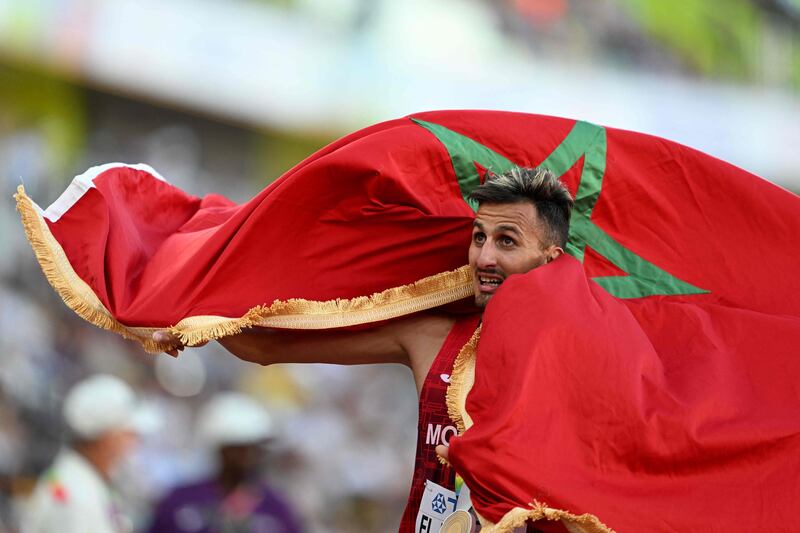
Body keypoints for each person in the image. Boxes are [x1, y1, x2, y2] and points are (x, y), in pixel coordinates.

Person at [154, 166, 574, 532]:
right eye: (479, 237)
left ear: (550, 259)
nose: (483, 256)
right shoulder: (432, 336)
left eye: (507, 242)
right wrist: (190, 322)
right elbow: (266, 349)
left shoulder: (576, 363)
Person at [146, 392, 302, 533]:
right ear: (220, 449)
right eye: (240, 449)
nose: (249, 457)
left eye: (255, 448)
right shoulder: (181, 502)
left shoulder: (275, 508)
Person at [22, 374, 152, 533]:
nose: (135, 442)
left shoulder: (85, 481)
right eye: (129, 433)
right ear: (107, 438)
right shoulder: (74, 496)